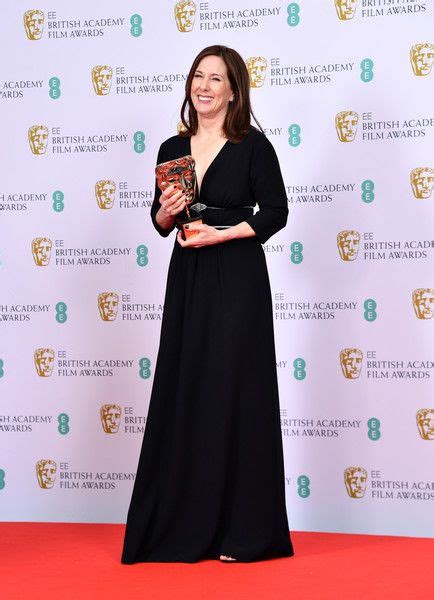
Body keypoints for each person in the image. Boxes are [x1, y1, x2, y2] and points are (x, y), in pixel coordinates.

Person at [121, 44, 295, 564]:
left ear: (234, 90)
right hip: (189, 277)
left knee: (235, 389)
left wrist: (223, 235)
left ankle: (245, 533)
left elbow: (278, 212)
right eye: (199, 76)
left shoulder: (253, 146)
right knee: (187, 385)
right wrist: (167, 215)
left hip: (238, 277)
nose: (205, 86)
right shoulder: (172, 148)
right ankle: (184, 527)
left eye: (216, 79)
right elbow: (159, 221)